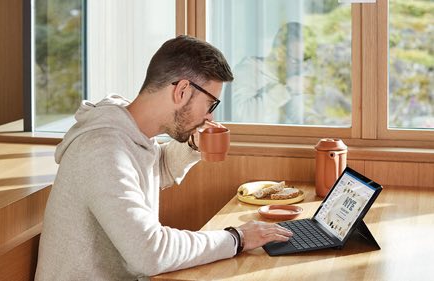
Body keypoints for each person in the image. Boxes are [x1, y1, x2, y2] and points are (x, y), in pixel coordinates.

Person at [34, 35, 293, 281]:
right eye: (211, 104)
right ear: (181, 90)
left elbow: (155, 166)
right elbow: (149, 252)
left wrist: (194, 143)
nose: (210, 117)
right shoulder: (102, 150)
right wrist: (236, 238)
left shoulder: (131, 129)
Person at [232, 22, 313, 124]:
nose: (301, 69)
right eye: (296, 61)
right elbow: (241, 118)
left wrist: (312, 118)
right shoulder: (247, 71)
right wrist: (288, 89)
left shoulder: (285, 75)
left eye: (305, 62)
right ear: (279, 54)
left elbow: (295, 113)